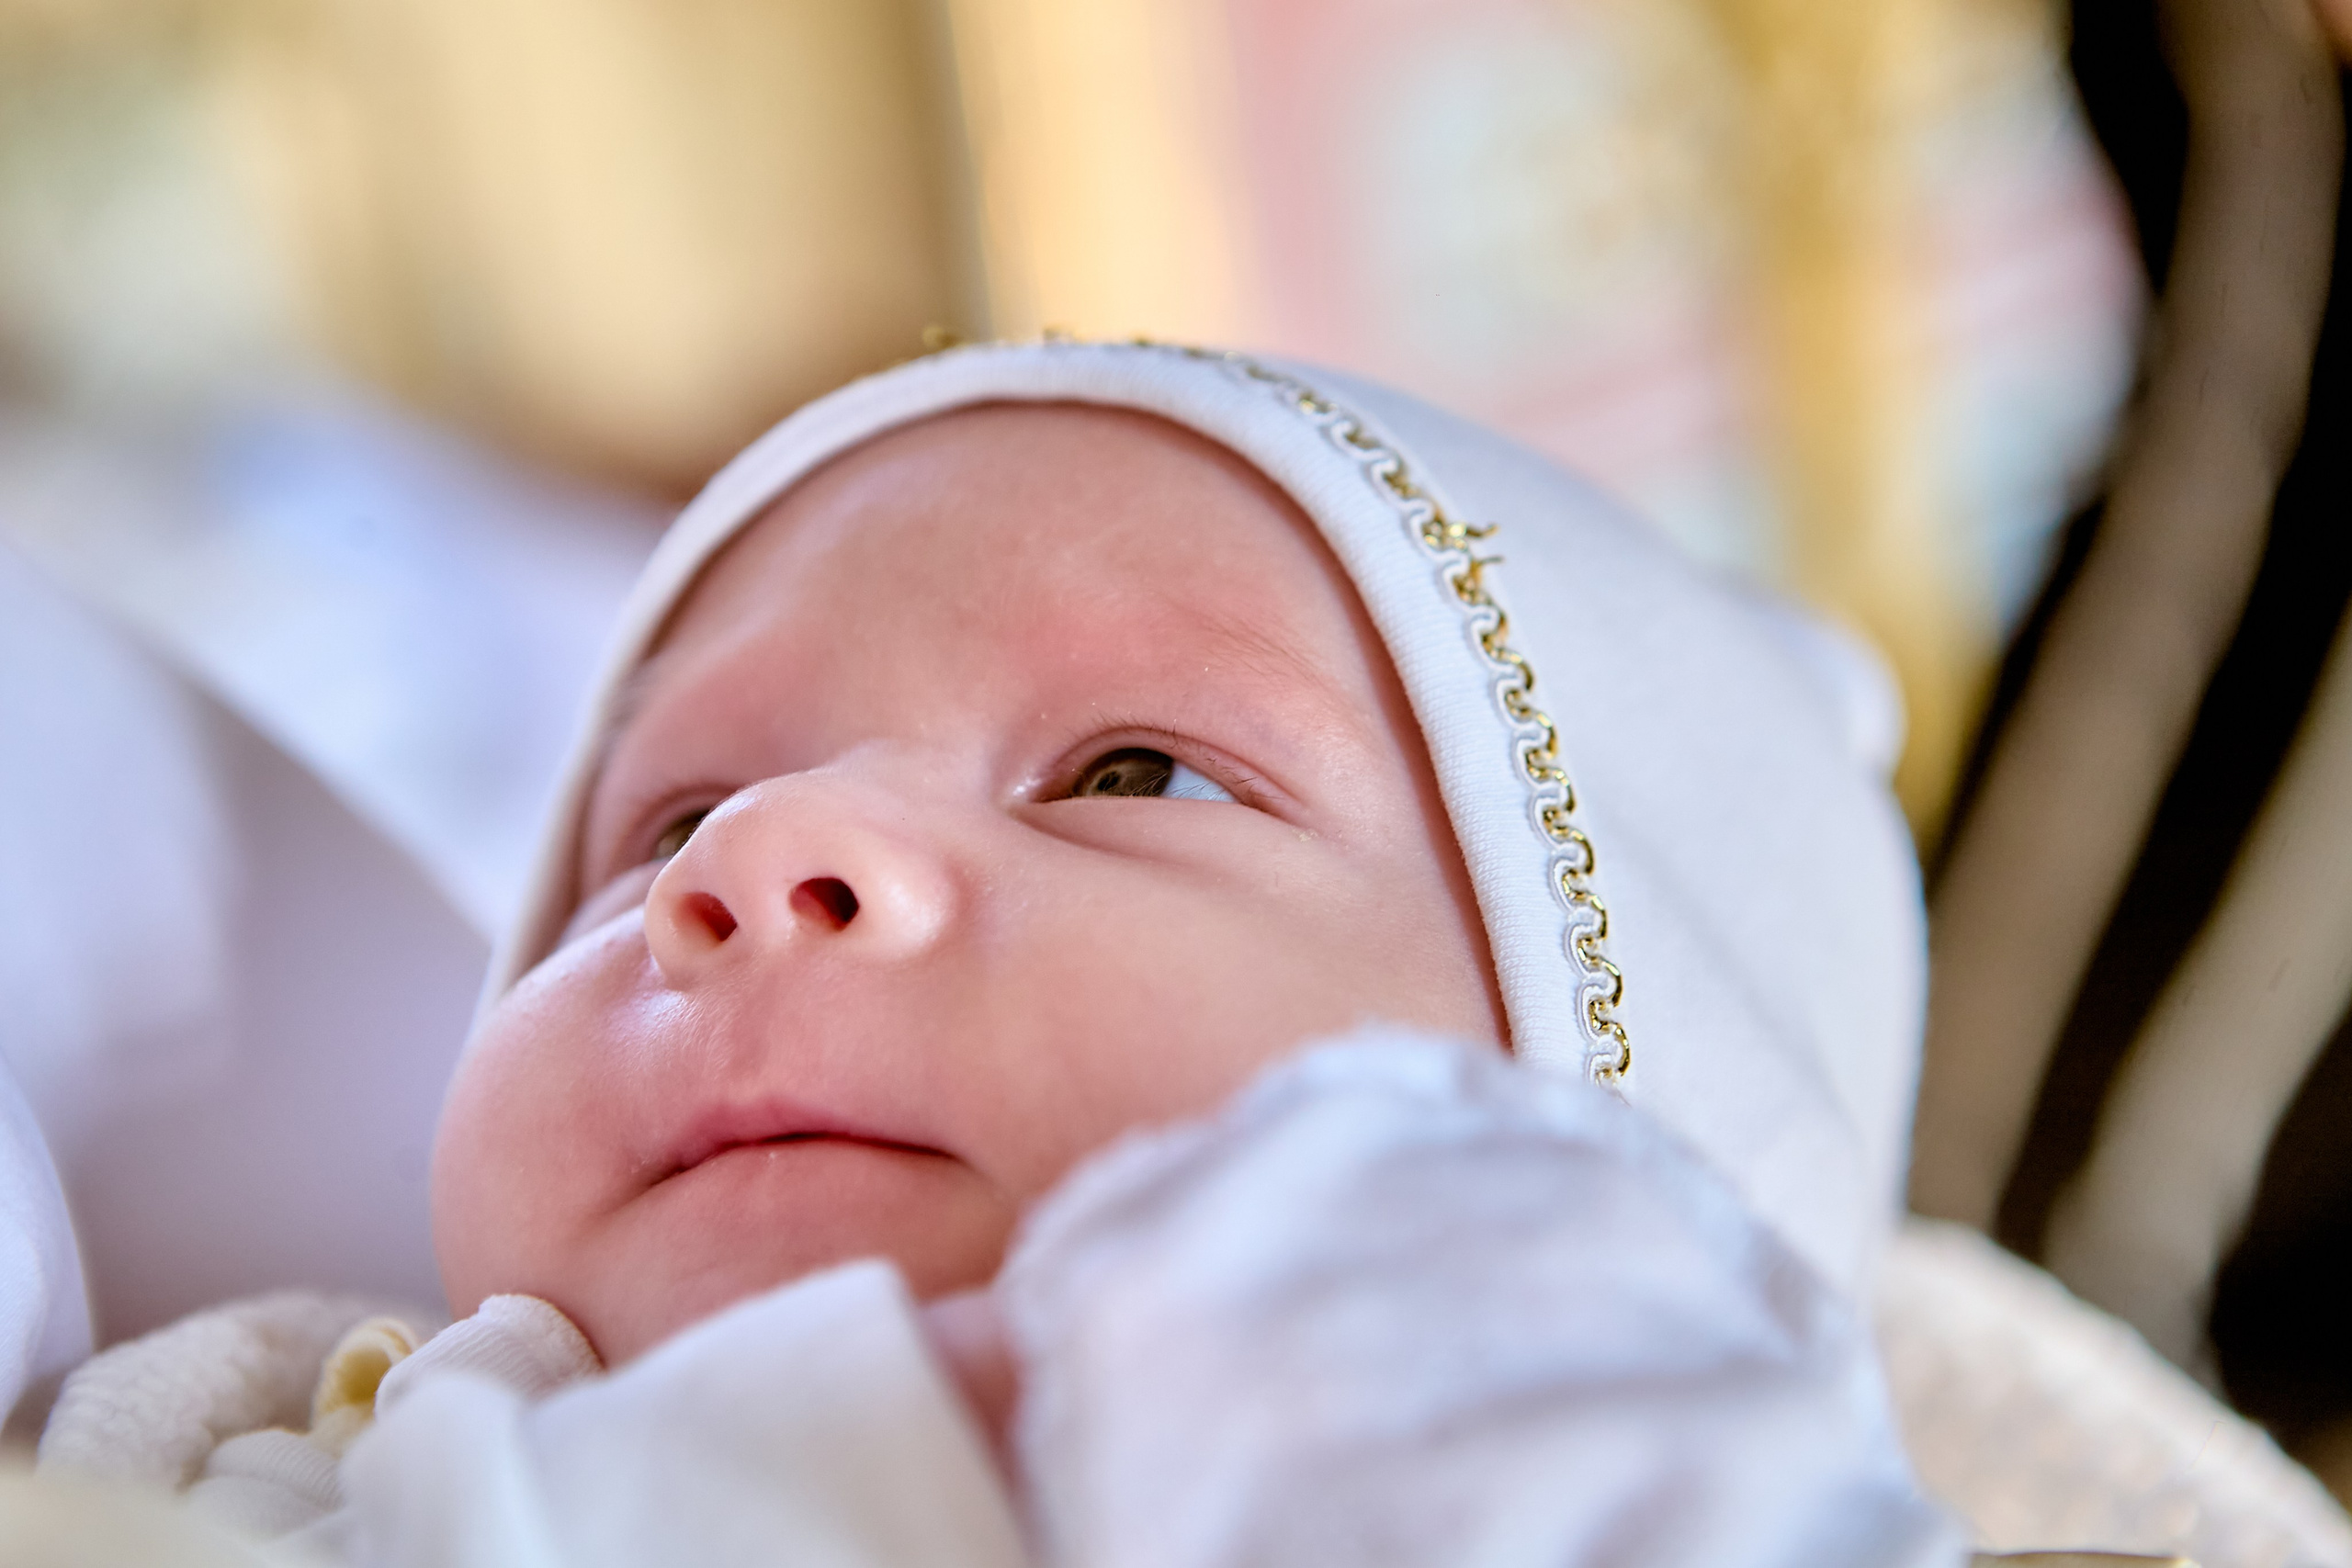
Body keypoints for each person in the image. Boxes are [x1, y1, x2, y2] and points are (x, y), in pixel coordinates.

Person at [30, 339, 1962, 1566]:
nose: (757, 853)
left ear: (1593, 1107)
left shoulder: (1428, 1355)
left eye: (1129, 772)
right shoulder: (314, 1407)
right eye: (665, 823)